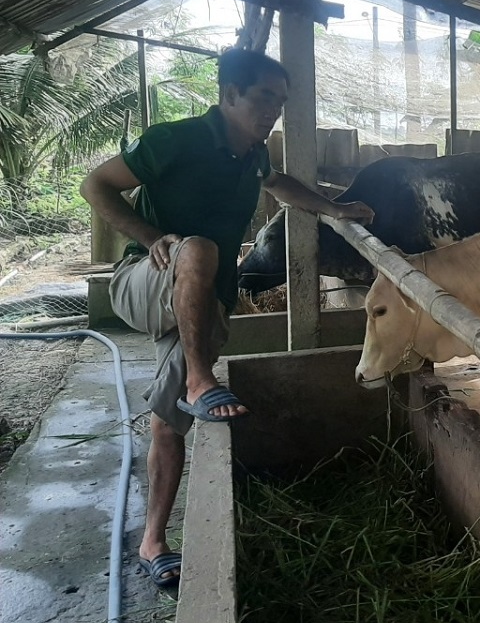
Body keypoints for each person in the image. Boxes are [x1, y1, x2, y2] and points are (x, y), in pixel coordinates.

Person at [81, 48, 374, 589]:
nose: (273, 112)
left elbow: (279, 183)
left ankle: (152, 542)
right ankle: (200, 378)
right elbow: (94, 185)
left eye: (280, 103)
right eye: (264, 98)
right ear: (230, 93)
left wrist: (333, 207)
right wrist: (150, 240)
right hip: (146, 278)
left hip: (203, 297)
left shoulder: (253, 154)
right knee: (199, 251)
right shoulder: (174, 139)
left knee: (168, 420)